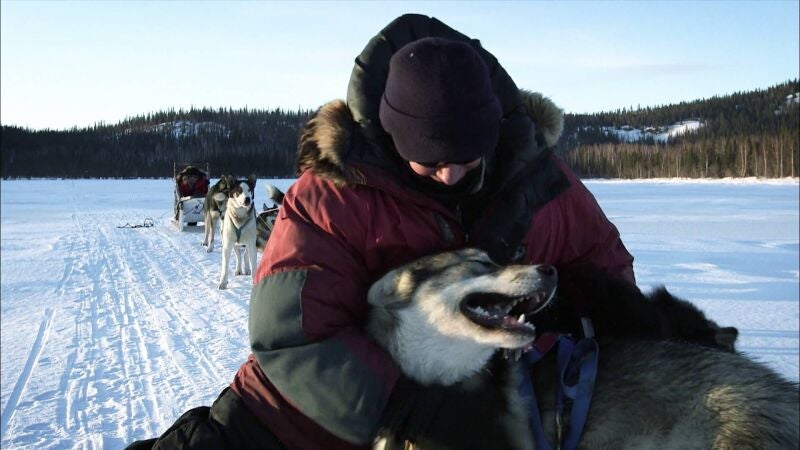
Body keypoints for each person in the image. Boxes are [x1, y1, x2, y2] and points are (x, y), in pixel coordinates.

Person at [130, 13, 633, 450]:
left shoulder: (538, 180)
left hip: (503, 392)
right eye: (430, 160)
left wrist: (582, 313)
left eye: (465, 157)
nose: (451, 176)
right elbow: (293, 338)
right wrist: (411, 408)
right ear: (392, 137)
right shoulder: (332, 193)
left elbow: (607, 271)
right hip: (319, 406)